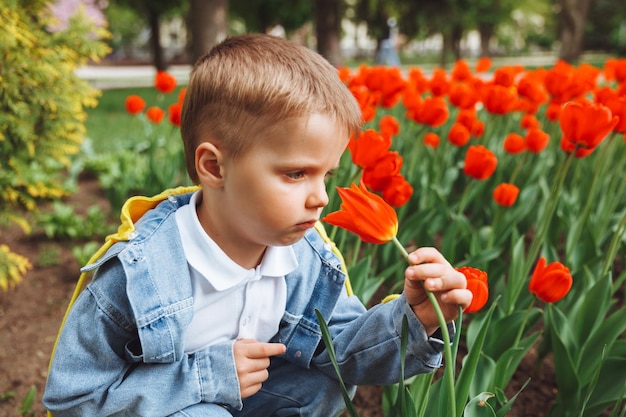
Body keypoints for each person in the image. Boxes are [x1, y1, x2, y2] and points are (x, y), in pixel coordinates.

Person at [43, 33, 471, 417]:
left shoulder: (303, 259)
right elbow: (73, 399)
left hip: (246, 400)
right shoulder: (139, 275)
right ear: (213, 167)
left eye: (328, 175)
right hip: (162, 407)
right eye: (295, 174)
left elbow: (337, 348)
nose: (320, 196)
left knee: (321, 385)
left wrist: (418, 318)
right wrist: (204, 379)